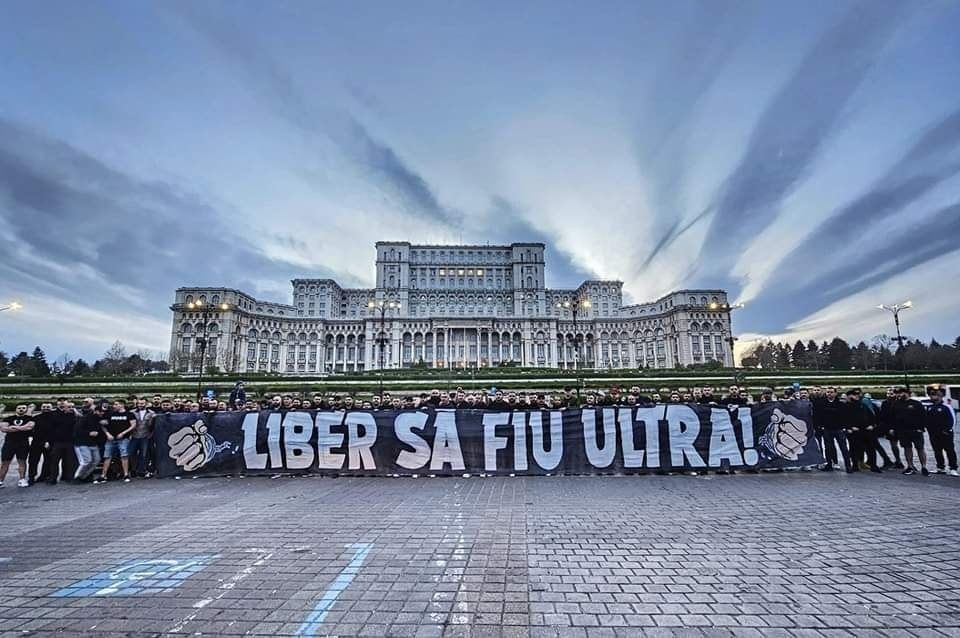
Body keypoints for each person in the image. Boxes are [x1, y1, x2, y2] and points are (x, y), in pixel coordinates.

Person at [891, 386, 928, 476]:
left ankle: (924, 467)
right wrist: (893, 428)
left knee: (920, 448)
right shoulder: (896, 404)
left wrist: (921, 428)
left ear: (907, 393)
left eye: (902, 392)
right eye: (898, 393)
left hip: (916, 430)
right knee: (907, 448)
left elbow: (923, 416)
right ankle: (910, 466)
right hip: (902, 430)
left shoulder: (916, 403)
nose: (900, 394)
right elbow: (892, 418)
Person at [98, 399, 137, 483]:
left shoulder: (129, 414)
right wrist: (107, 434)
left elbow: (133, 425)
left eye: (116, 404)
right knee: (107, 457)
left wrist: (123, 433)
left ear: (122, 405)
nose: (114, 406)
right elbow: (102, 425)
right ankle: (103, 475)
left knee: (124, 456)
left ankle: (126, 474)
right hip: (111, 439)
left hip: (123, 439)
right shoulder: (110, 414)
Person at [815, 387, 852, 472]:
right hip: (827, 429)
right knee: (828, 448)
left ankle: (848, 466)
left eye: (831, 392)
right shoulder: (821, 403)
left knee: (844, 448)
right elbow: (818, 416)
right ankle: (829, 465)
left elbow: (846, 417)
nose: (829, 394)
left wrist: (844, 427)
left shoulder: (841, 404)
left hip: (839, 429)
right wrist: (820, 426)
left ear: (835, 393)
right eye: (828, 392)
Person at [844, 389, 880, 473]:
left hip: (866, 430)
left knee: (871, 448)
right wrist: (850, 427)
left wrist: (872, 425)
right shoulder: (846, 406)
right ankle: (855, 465)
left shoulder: (863, 405)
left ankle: (873, 465)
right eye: (854, 395)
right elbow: (844, 419)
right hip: (854, 431)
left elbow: (871, 416)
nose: (856, 396)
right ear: (849, 396)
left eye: (857, 395)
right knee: (854, 449)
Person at [44, 400, 79, 484]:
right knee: (54, 461)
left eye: (72, 407)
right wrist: (48, 441)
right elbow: (50, 429)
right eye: (69, 407)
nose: (71, 409)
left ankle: (69, 478)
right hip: (58, 442)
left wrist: (75, 412)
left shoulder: (75, 416)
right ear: (64, 408)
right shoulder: (56, 416)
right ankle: (53, 478)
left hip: (70, 442)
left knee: (70, 461)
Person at [925, 384, 957, 476]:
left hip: (946, 433)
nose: (933, 396)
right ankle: (940, 467)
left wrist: (947, 430)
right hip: (934, 434)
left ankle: (953, 468)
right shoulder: (929, 407)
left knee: (950, 451)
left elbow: (953, 420)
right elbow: (927, 420)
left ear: (941, 396)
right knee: (937, 451)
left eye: (936, 394)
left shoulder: (947, 407)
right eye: (932, 395)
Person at [0, 404, 35, 488]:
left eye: (23, 408)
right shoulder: (9, 418)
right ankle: (1, 480)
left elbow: (29, 427)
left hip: (23, 443)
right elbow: (3, 429)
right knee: (5, 462)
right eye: (19, 408)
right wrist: (21, 428)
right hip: (9, 443)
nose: (21, 409)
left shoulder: (30, 418)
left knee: (22, 461)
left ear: (26, 410)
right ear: (16, 409)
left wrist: (12, 427)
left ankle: (22, 479)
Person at [74, 402, 105, 482]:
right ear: (96, 411)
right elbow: (77, 430)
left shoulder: (99, 420)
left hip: (93, 443)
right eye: (101, 411)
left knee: (96, 460)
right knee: (86, 461)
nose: (103, 413)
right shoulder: (85, 418)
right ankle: (77, 477)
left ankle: (85, 476)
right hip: (82, 443)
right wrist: (89, 433)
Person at [28, 402, 54, 484]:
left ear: (52, 408)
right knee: (33, 460)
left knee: (48, 460)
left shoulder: (55, 418)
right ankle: (31, 476)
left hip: (50, 442)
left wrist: (48, 441)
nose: (46, 408)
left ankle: (44, 476)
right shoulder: (36, 418)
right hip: (36, 441)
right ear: (41, 408)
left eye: (48, 407)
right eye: (44, 406)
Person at [128, 398, 155, 478]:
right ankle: (133, 470)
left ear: (146, 404)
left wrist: (151, 434)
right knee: (131, 453)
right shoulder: (131, 412)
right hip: (134, 435)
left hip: (145, 436)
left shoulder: (151, 413)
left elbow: (153, 426)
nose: (140, 405)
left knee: (144, 455)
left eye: (142, 403)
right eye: (139, 403)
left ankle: (141, 470)